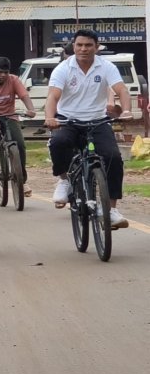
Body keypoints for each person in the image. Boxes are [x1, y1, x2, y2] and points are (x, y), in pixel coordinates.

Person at [46, 29, 132, 228]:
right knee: (58, 142)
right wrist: (50, 117)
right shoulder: (63, 69)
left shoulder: (106, 67)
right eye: (79, 45)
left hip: (98, 121)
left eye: (88, 45)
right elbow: (53, 96)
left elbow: (121, 90)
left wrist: (126, 110)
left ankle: (110, 210)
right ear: (74, 46)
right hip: (68, 121)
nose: (83, 49)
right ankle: (64, 180)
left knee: (113, 157)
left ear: (97, 47)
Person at [0, 56, 37, 196]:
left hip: (9, 116)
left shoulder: (13, 80)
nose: (3, 75)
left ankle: (22, 181)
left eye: (6, 72)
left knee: (20, 144)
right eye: (0, 72)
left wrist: (31, 110)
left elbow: (24, 96)